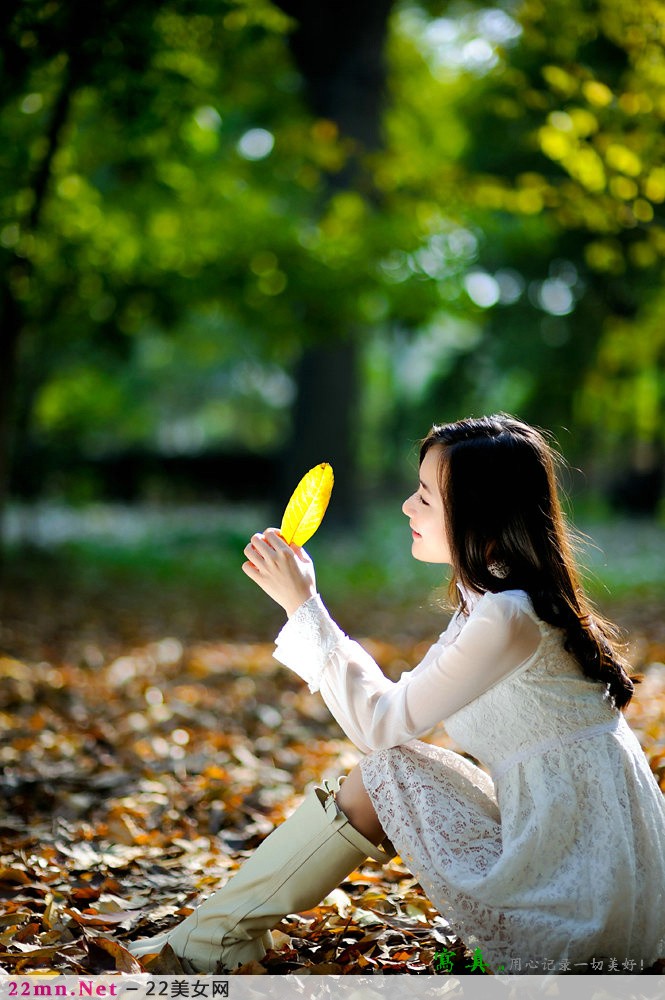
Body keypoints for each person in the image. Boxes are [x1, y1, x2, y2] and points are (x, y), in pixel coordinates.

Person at [129, 414, 665, 974]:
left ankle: (212, 938)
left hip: (581, 875)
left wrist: (304, 608)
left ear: (479, 514)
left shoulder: (508, 614)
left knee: (384, 768)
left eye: (426, 498)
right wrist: (305, 607)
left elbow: (381, 725)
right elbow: (395, 708)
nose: (408, 507)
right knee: (389, 769)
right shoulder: (491, 597)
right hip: (559, 836)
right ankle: (213, 934)